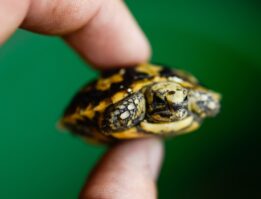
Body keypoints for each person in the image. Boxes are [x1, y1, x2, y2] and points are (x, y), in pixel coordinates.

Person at [0, 0, 163, 198]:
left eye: (182, 100)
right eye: (163, 101)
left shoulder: (181, 100)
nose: (175, 105)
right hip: (108, 108)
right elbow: (115, 117)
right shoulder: (137, 102)